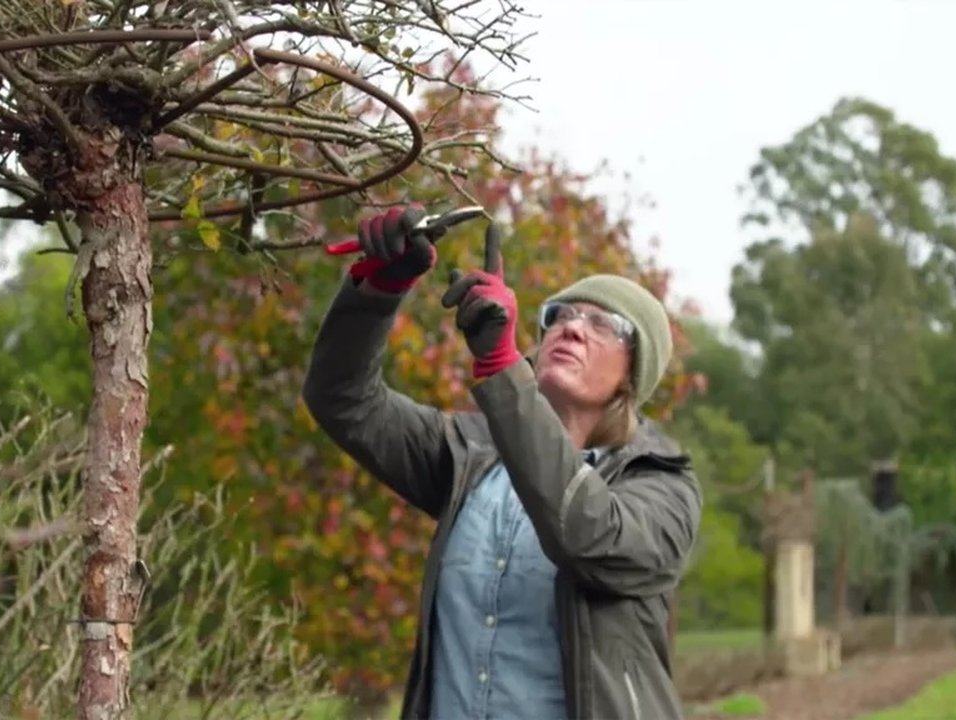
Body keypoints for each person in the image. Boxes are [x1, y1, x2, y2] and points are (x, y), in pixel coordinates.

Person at [301, 205, 704, 720]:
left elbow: (589, 537)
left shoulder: (662, 486)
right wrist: (378, 289)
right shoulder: (470, 456)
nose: (572, 328)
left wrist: (500, 369)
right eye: (558, 316)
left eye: (603, 324)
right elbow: (342, 398)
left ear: (634, 374)